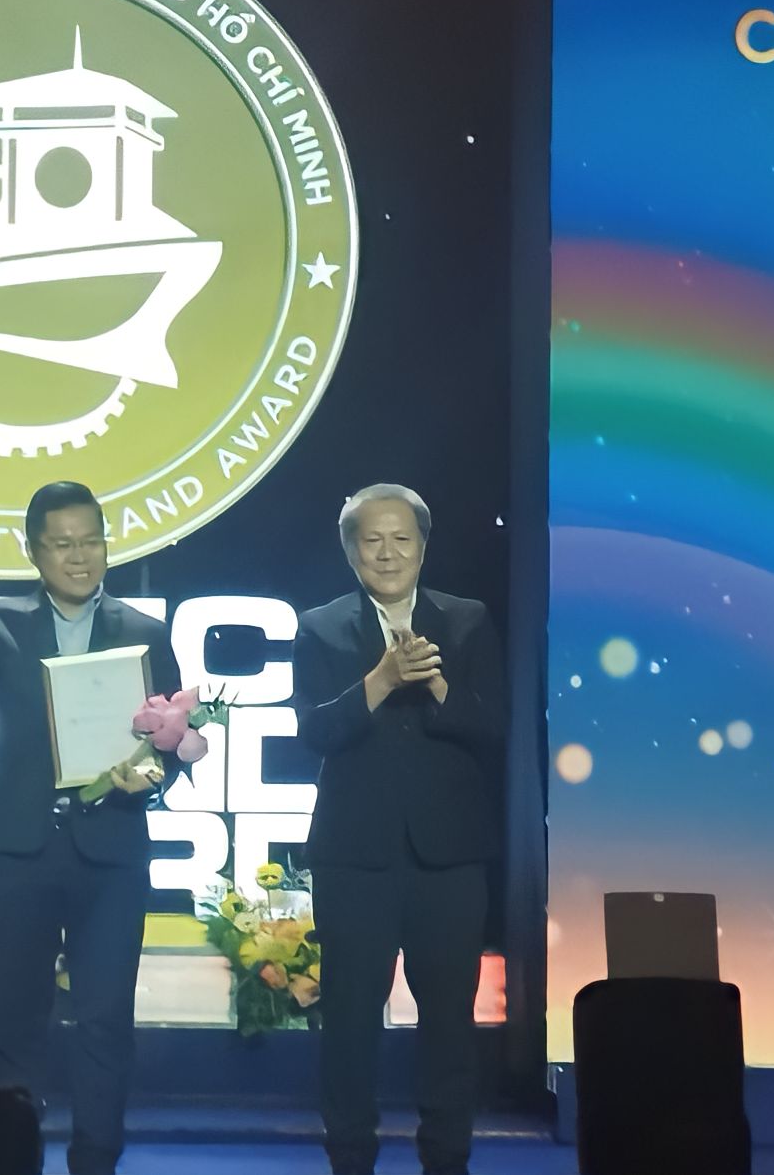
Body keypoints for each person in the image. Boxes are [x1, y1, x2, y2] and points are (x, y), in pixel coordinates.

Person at [0, 482, 186, 1175]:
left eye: (91, 541)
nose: (79, 556)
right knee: (13, 1020)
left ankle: (95, 1161)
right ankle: (11, 1160)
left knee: (104, 1022)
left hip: (112, 853)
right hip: (18, 849)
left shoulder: (145, 631)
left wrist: (151, 776)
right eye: (62, 544)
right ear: (33, 551)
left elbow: (168, 741)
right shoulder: (1, 620)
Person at [296, 483, 501, 1175]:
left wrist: (436, 684)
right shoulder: (322, 627)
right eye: (372, 540)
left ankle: (447, 1159)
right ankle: (350, 1158)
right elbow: (315, 731)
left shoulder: (466, 621)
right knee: (350, 1024)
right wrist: (381, 679)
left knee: (450, 1025)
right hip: (355, 859)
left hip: (450, 859)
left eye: (401, 539)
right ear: (351, 551)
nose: (387, 553)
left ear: (423, 546)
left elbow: (496, 727)